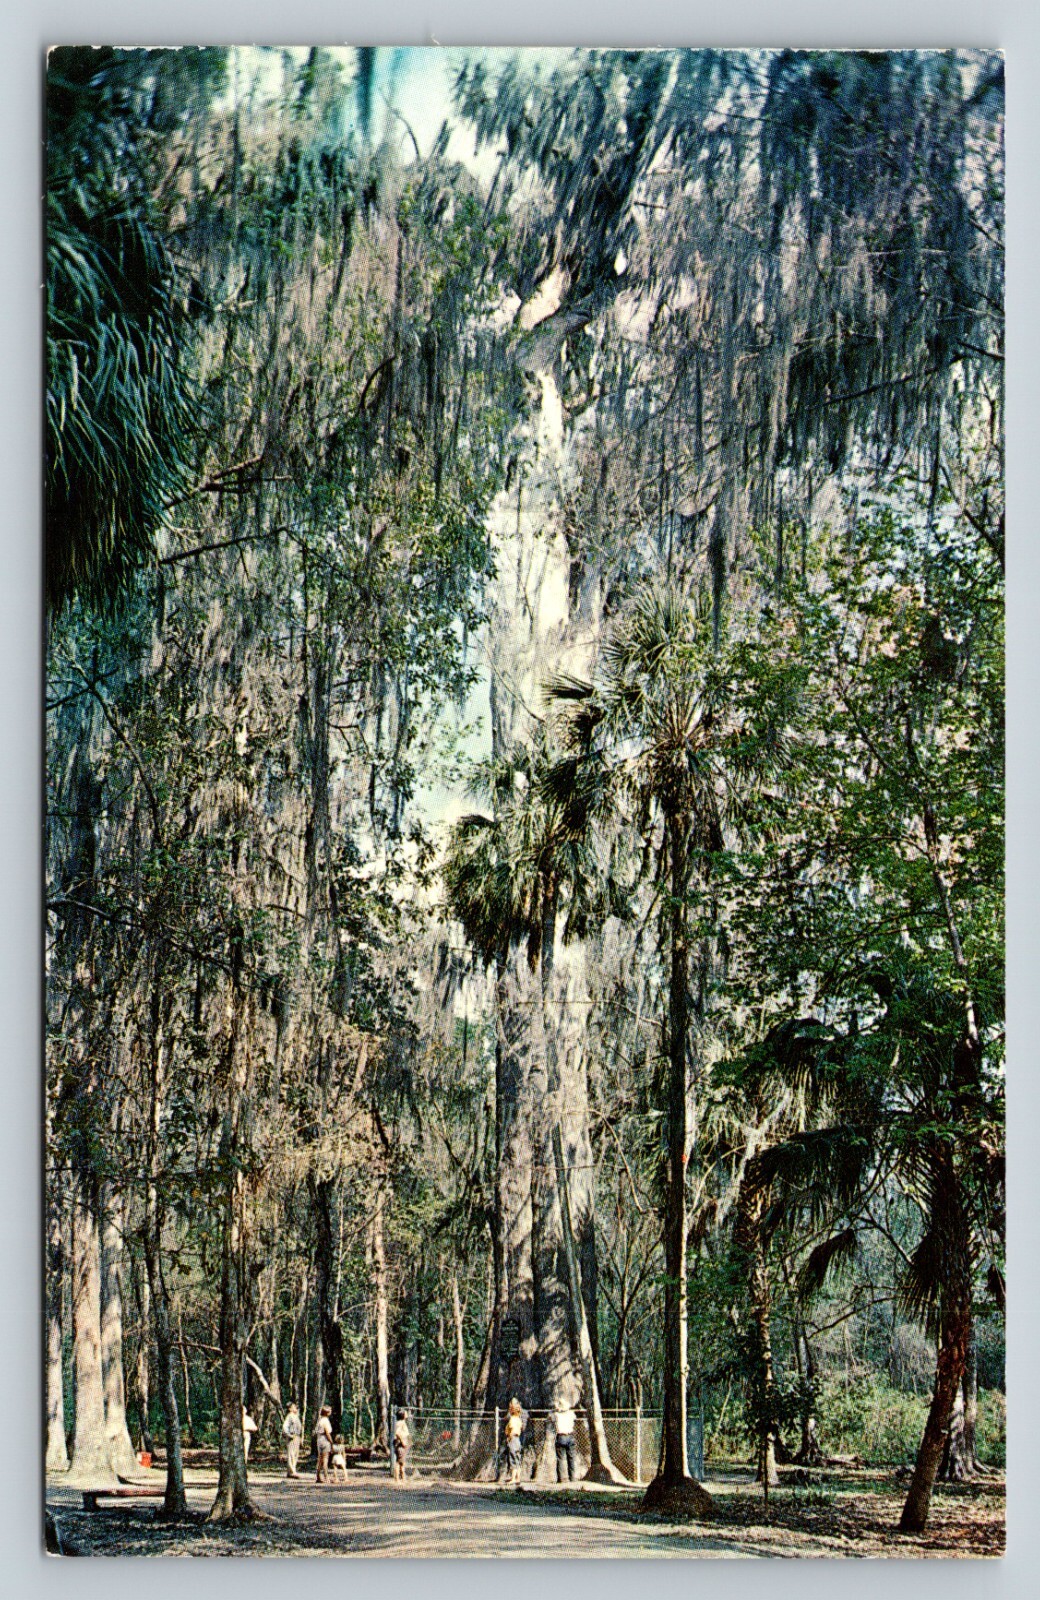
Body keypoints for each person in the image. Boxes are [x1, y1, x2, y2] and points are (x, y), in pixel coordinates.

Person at [553, 1398, 578, 1483]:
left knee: (560, 1458)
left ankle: (561, 1478)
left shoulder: (556, 1414)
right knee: (571, 1458)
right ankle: (572, 1477)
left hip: (561, 1436)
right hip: (570, 1436)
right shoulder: (571, 1413)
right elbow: (575, 1419)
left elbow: (551, 1419)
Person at [503, 1396, 524, 1486]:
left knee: (513, 1458)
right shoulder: (519, 1419)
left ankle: (513, 1478)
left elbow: (513, 1430)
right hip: (518, 1440)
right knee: (517, 1458)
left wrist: (509, 1438)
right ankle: (517, 1478)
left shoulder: (513, 1419)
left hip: (513, 1439)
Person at [282, 1401, 303, 1478]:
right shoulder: (289, 1416)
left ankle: (292, 1471)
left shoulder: (295, 1416)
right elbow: (285, 1427)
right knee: (291, 1454)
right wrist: (289, 1435)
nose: (296, 1408)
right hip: (292, 1436)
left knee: (295, 1454)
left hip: (297, 1436)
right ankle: (291, 1472)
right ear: (290, 1409)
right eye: (294, 1407)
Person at [314, 1404, 333, 1483]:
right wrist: (331, 1442)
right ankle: (326, 1477)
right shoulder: (325, 1421)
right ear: (327, 1412)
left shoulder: (320, 1420)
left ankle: (318, 1476)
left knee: (320, 1459)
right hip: (324, 1440)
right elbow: (327, 1433)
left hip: (319, 1439)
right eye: (330, 1411)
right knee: (325, 1459)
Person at [392, 1408, 411, 1482]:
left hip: (402, 1444)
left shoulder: (402, 1422)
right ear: (402, 1415)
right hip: (400, 1445)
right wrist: (402, 1442)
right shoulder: (400, 1423)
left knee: (402, 1462)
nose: (407, 1414)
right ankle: (397, 1479)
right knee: (399, 1462)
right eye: (405, 1413)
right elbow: (397, 1433)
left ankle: (403, 1478)